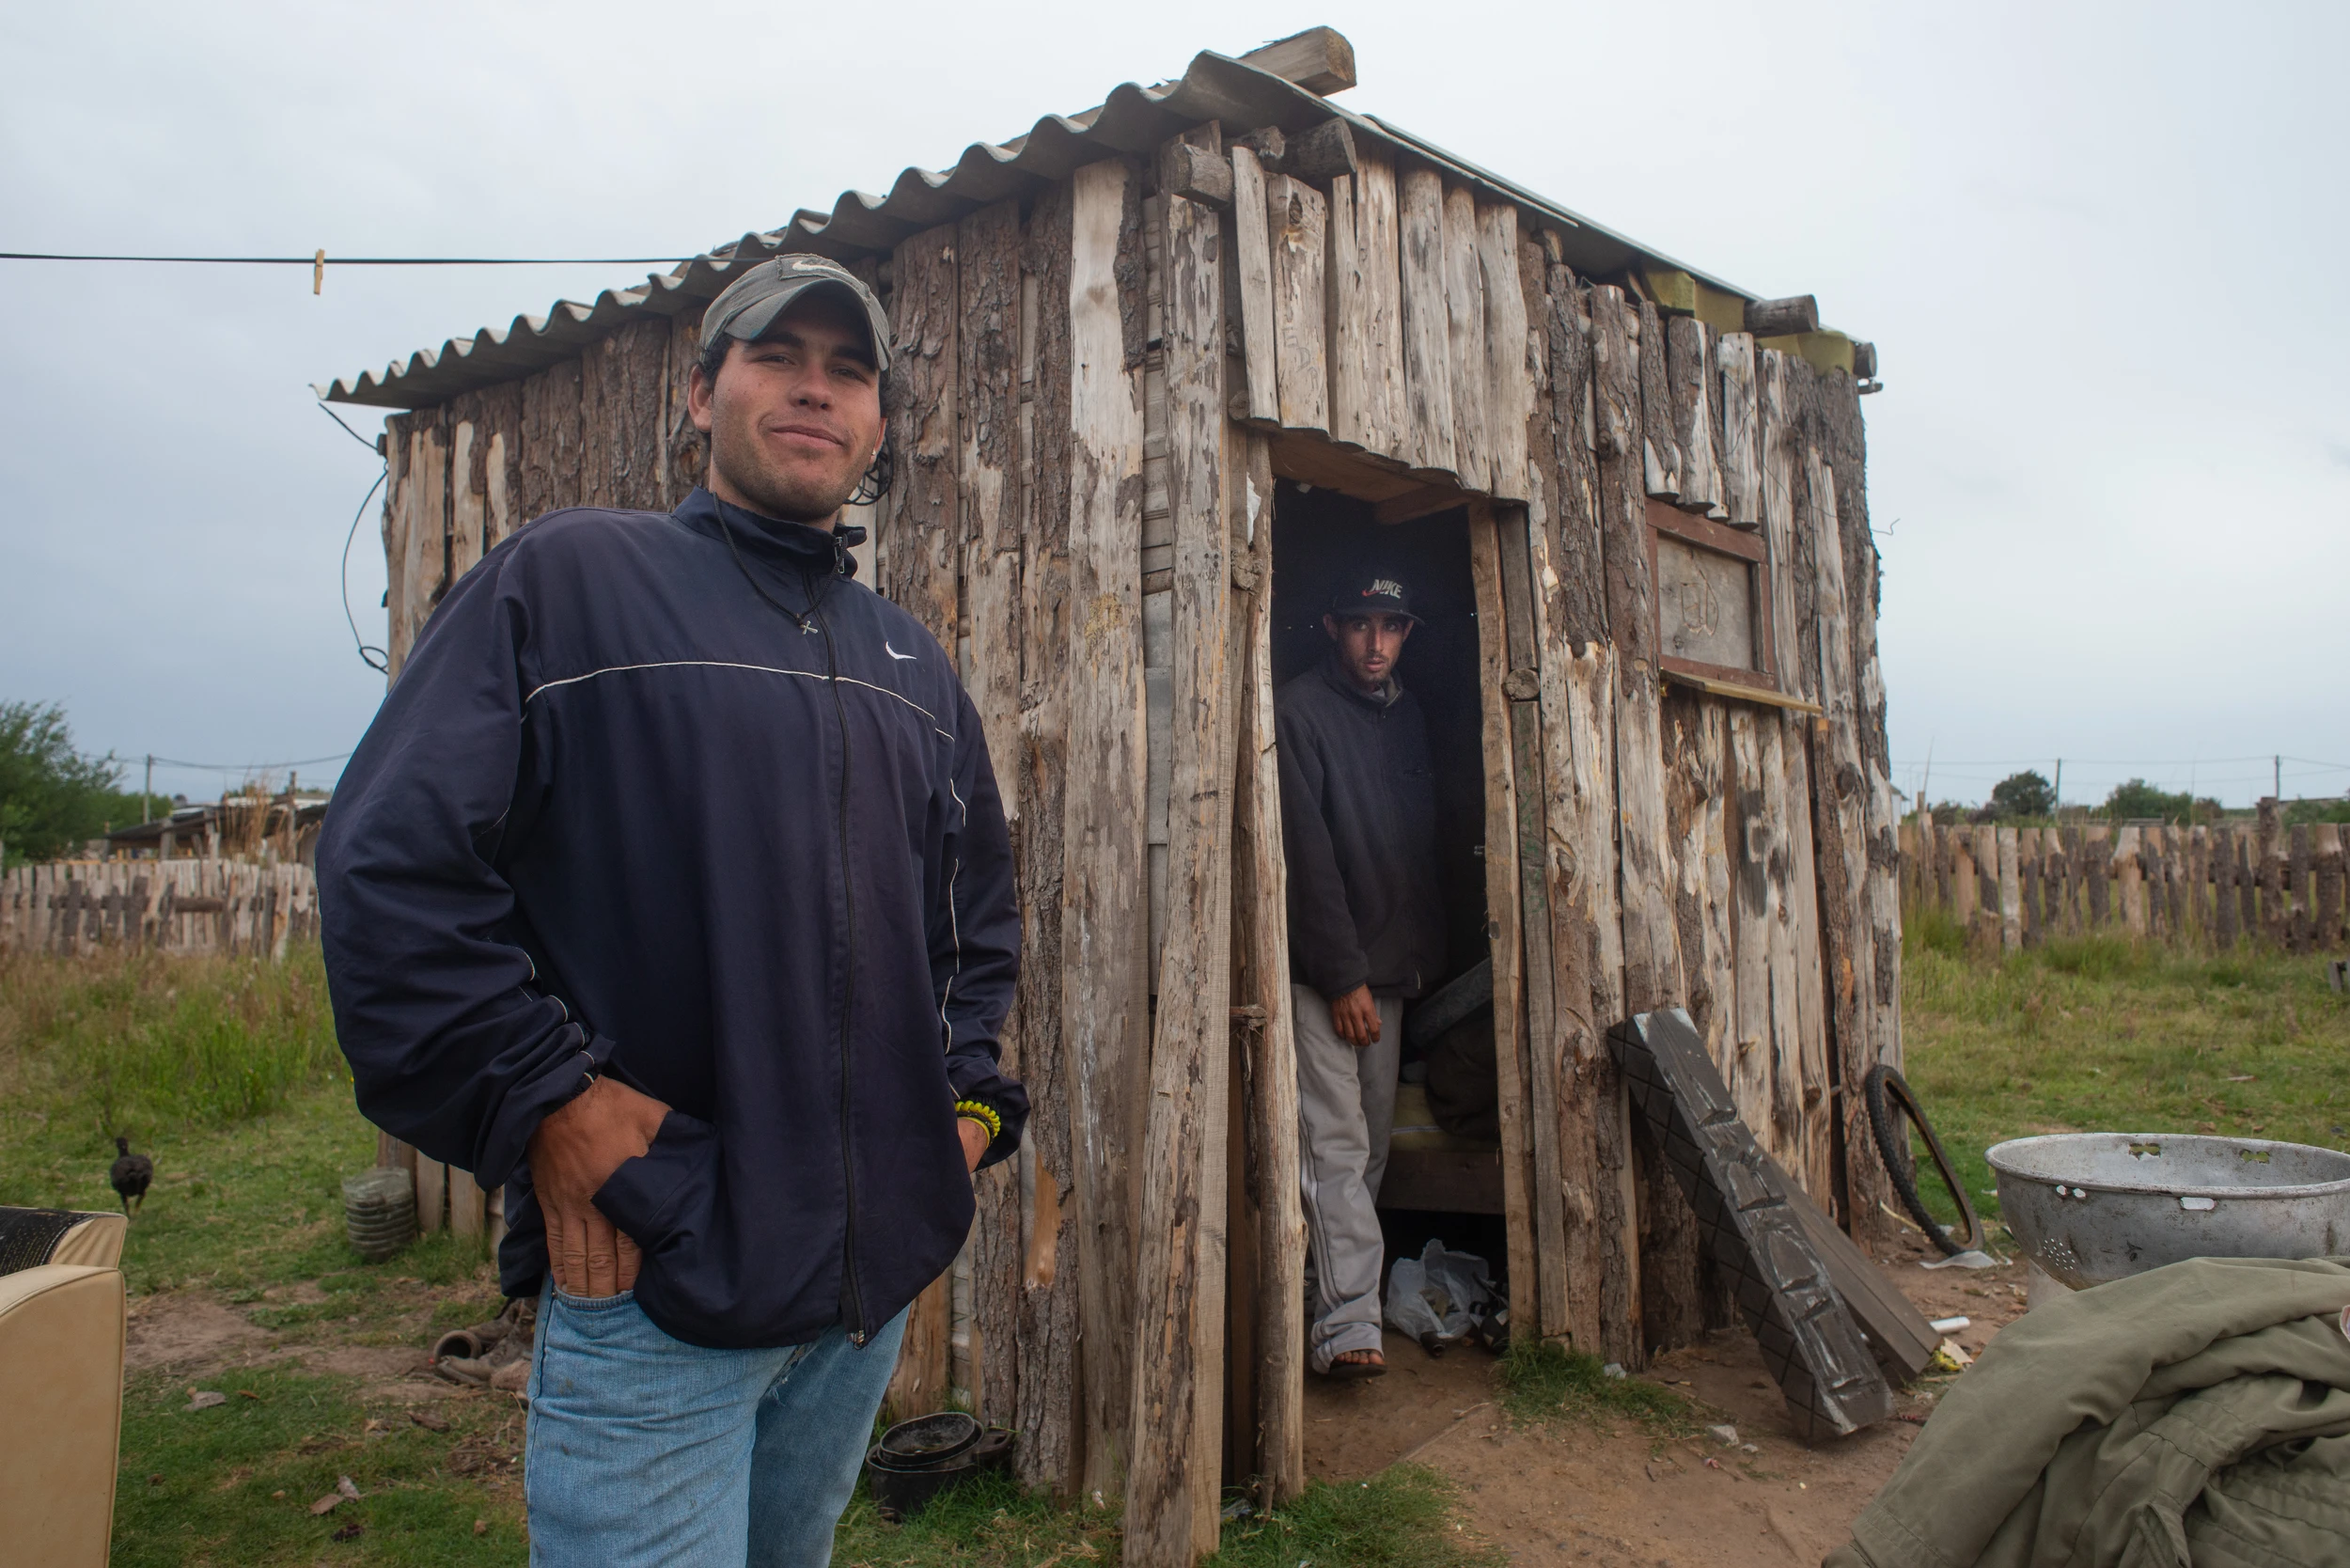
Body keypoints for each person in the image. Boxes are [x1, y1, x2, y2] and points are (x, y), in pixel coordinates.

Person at [316, 254, 1027, 1568]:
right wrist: (552, 1102)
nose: (815, 390)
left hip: (860, 1308)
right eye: (778, 358)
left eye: (849, 371)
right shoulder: (572, 584)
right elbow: (387, 870)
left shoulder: (910, 663)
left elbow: (977, 924)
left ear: (876, 424)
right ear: (701, 393)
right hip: (659, 1289)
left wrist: (964, 1117)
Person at [1274, 572, 1444, 1379]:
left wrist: (1409, 970)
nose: (1376, 645)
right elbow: (1306, 859)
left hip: (1391, 973)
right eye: (1360, 627)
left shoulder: (1406, 716)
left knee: (1368, 1150)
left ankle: (1327, 1305)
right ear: (1331, 627)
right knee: (1334, 1147)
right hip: (1327, 974)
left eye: (1392, 627)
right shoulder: (1300, 712)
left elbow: (1419, 851)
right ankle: (1348, 1330)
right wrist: (1340, 976)